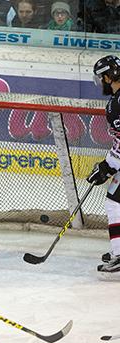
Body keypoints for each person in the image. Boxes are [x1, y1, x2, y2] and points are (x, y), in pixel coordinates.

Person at [87, 55, 120, 278]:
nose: (101, 83)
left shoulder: (117, 104)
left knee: (114, 203)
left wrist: (108, 166)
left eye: (102, 78)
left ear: (109, 77)